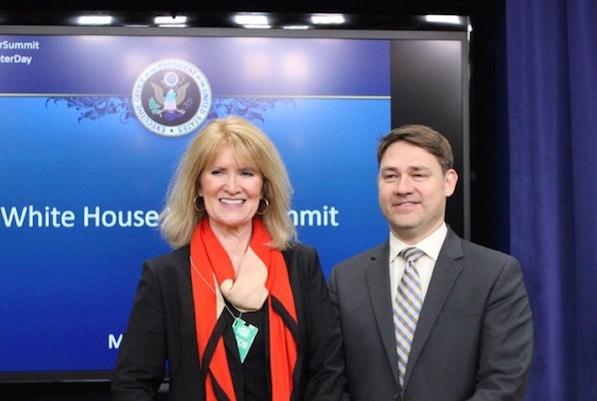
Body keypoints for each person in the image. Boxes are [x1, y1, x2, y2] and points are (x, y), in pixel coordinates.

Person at [112, 116, 344, 401]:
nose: (232, 186)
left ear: (264, 188)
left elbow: (327, 370)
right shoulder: (165, 276)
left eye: (247, 173)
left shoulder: (301, 265)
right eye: (218, 172)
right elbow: (132, 384)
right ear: (198, 186)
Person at [328, 124, 533, 401]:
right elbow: (330, 383)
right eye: (391, 176)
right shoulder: (345, 279)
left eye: (418, 174)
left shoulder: (495, 274)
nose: (402, 188)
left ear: (448, 182)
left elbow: (503, 385)